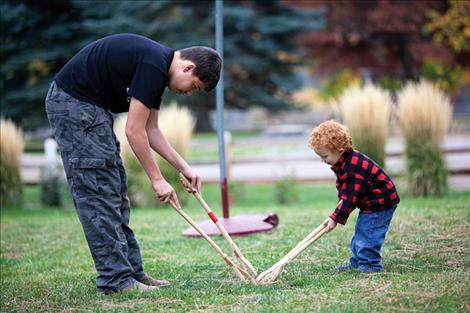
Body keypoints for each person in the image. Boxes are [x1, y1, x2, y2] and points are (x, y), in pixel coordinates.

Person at [44, 33, 221, 294]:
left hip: (89, 108)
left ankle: (131, 273)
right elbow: (133, 131)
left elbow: (151, 130)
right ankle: (115, 280)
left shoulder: (158, 69)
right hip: (74, 106)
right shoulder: (153, 65)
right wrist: (157, 179)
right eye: (194, 86)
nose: (188, 93)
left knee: (115, 191)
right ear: (188, 67)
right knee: (99, 193)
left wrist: (185, 167)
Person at [309, 120, 399, 273]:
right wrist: (337, 211)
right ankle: (358, 261)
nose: (323, 161)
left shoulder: (352, 167)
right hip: (371, 202)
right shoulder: (343, 161)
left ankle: (370, 265)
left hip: (380, 202)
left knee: (368, 233)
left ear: (339, 149)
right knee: (362, 231)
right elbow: (344, 191)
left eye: (324, 156)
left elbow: (350, 198)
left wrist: (335, 218)